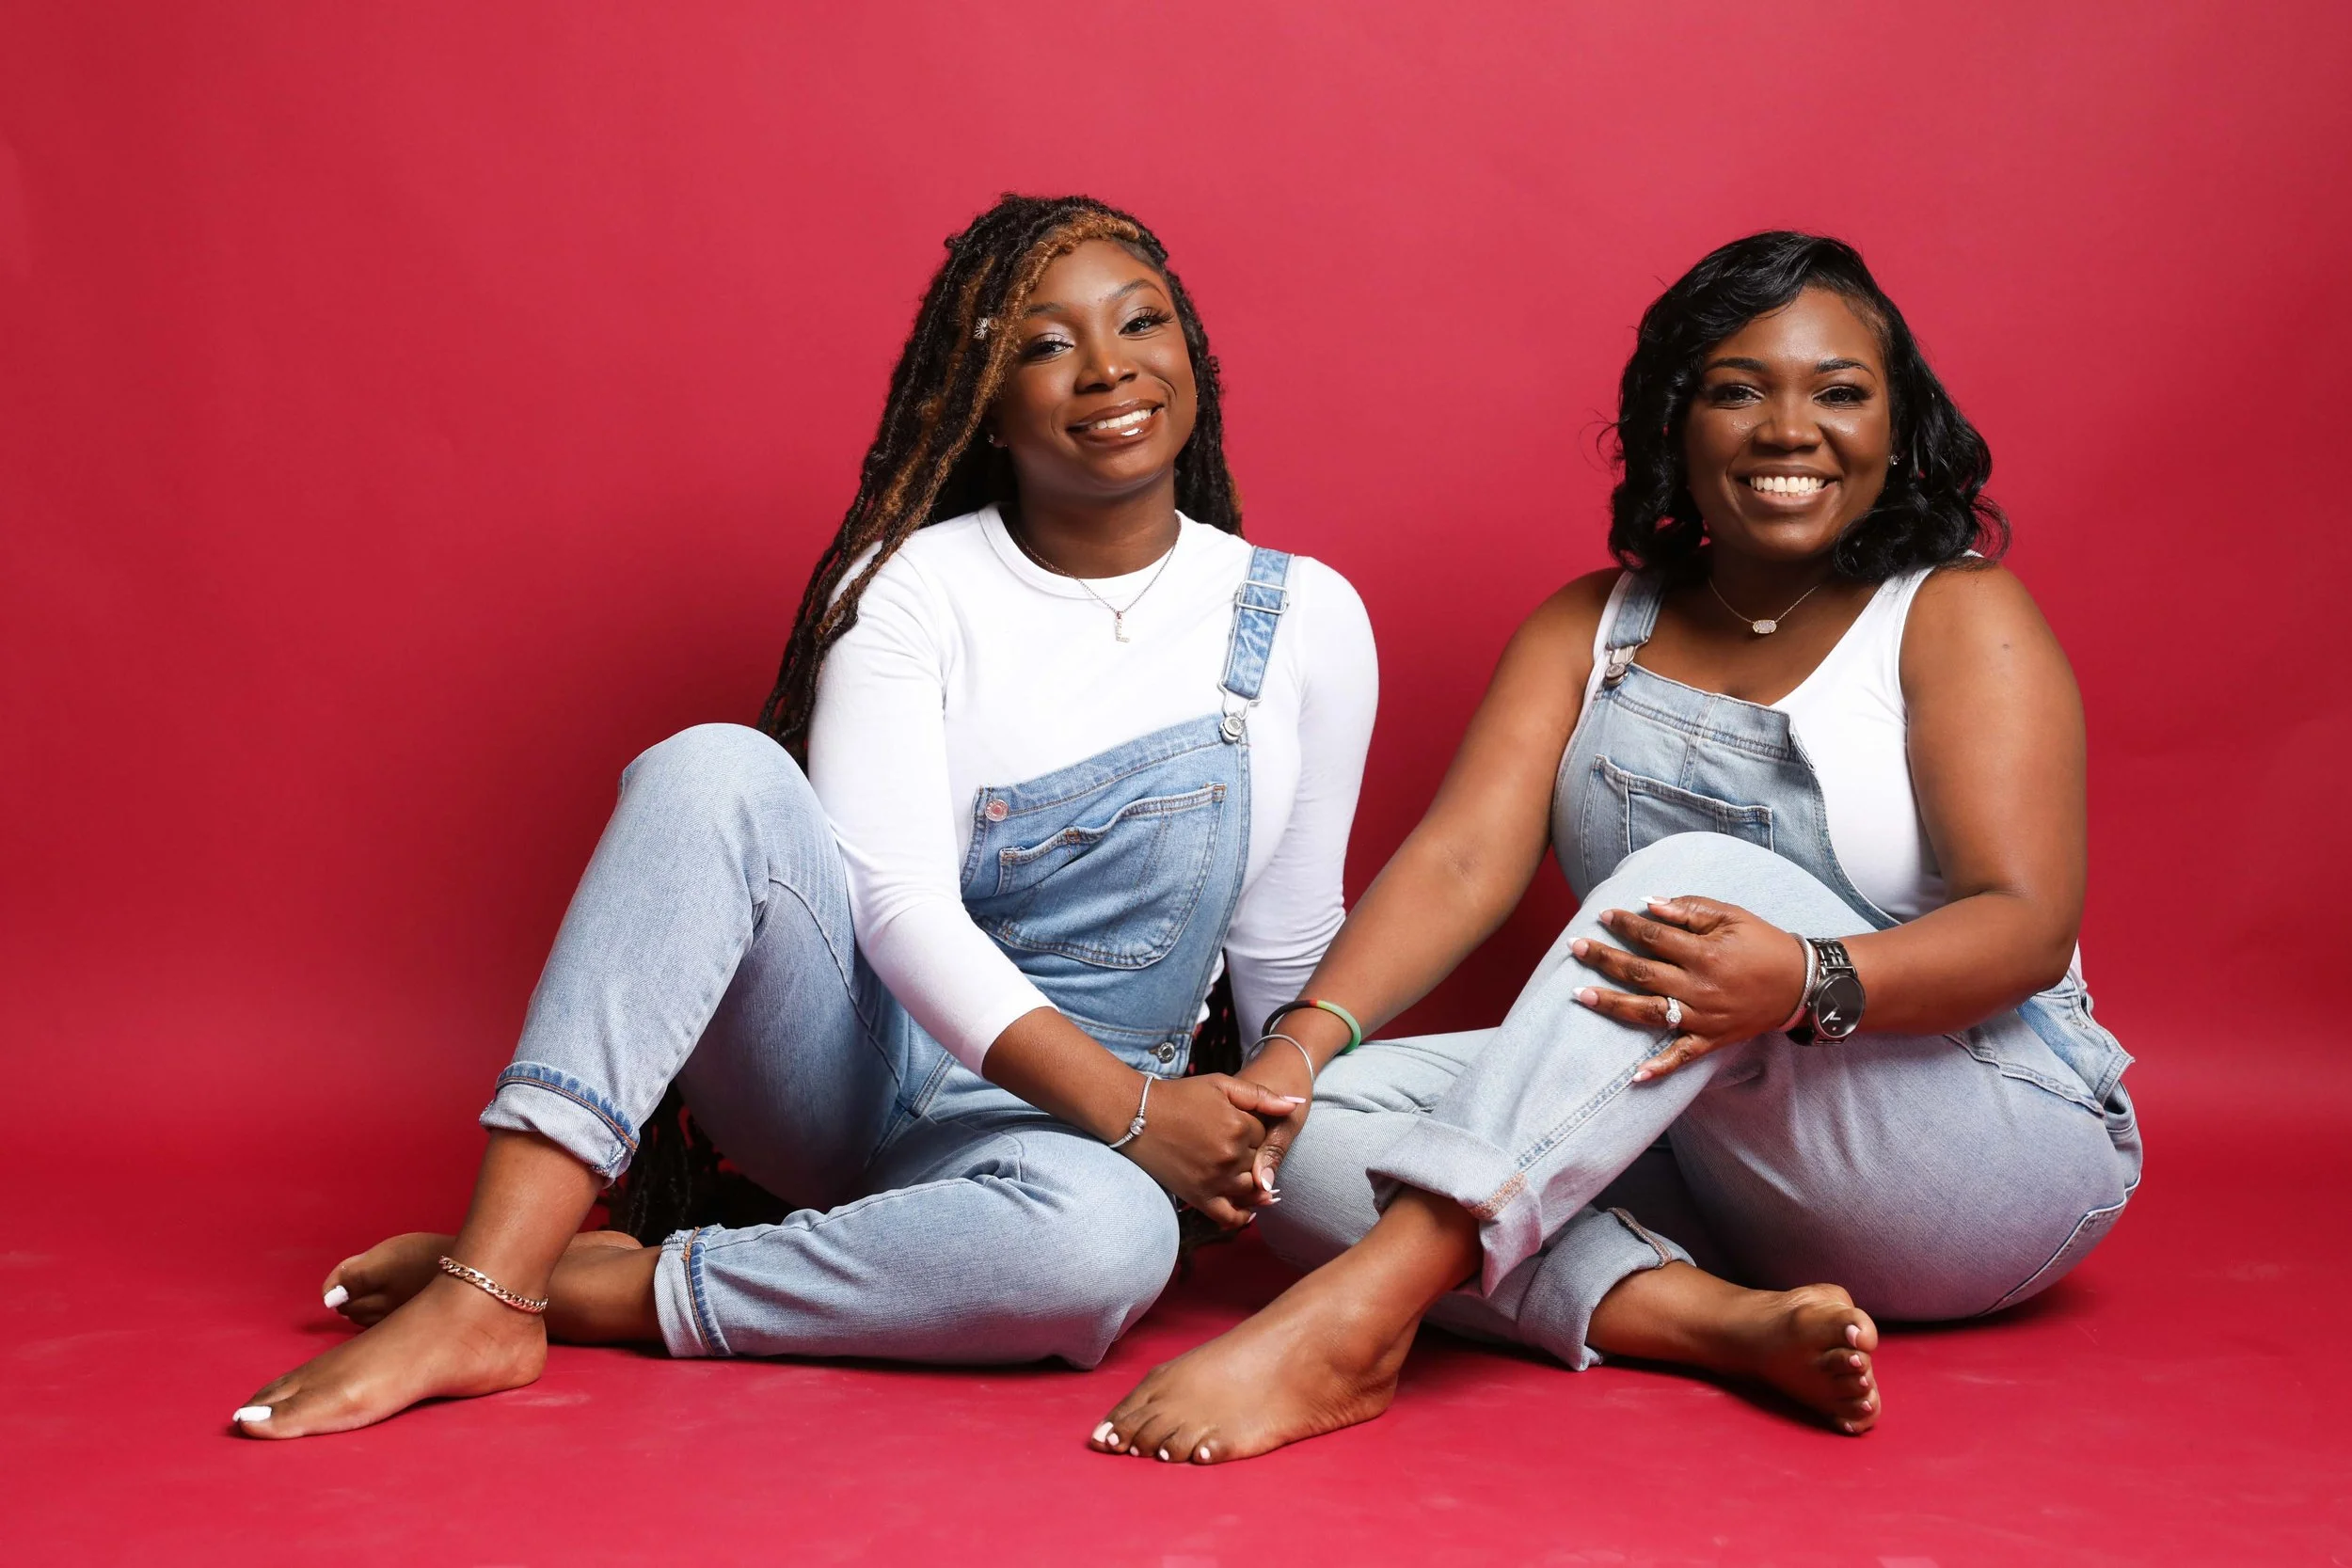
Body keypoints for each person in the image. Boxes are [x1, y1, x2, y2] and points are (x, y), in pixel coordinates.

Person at [230, 194, 1375, 1438]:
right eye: (1043, 344)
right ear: (982, 404)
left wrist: (1266, 1136)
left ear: (1191, 356)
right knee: (713, 768)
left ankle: (609, 1282)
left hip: (1079, 1144)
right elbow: (896, 912)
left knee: (1096, 1254)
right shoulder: (908, 588)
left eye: (1142, 322)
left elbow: (1286, 941)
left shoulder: (1305, 618)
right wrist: (1142, 1113)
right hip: (853, 1066)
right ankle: (487, 1283)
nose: (1108, 368)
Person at [1090, 231, 2140, 1465]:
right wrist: (1294, 1053)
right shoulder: (1590, 626)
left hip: (1971, 1144)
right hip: (1722, 1161)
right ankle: (1716, 1319)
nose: (1789, 429)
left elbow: (2024, 924)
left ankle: (1361, 1314)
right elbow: (1460, 862)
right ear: (1673, 423)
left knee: (1687, 890)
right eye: (1738, 388)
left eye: (1840, 393)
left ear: (1898, 429)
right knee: (1308, 1143)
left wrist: (1803, 981)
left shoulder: (1956, 612)